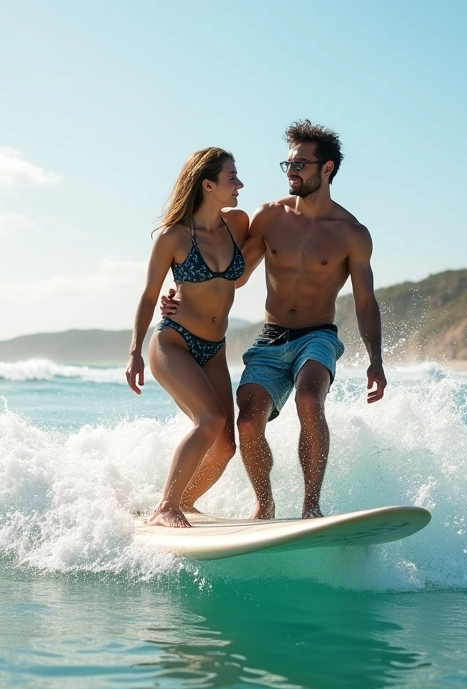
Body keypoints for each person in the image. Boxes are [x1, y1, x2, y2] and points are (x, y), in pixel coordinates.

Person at [163, 120, 387, 520]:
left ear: (327, 169)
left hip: (317, 336)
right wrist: (182, 290)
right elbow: (233, 272)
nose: (291, 171)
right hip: (270, 338)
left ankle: (311, 506)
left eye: (300, 164)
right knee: (248, 422)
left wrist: (376, 360)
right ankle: (264, 505)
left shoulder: (352, 233)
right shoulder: (269, 217)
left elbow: (366, 302)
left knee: (308, 398)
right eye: (287, 165)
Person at [125, 148, 249, 528]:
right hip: (173, 341)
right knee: (209, 420)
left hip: (214, 348)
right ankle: (166, 507)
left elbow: (261, 249)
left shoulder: (238, 223)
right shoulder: (173, 237)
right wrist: (134, 352)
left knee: (226, 445)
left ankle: (183, 502)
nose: (240, 184)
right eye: (232, 178)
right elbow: (149, 295)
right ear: (207, 185)